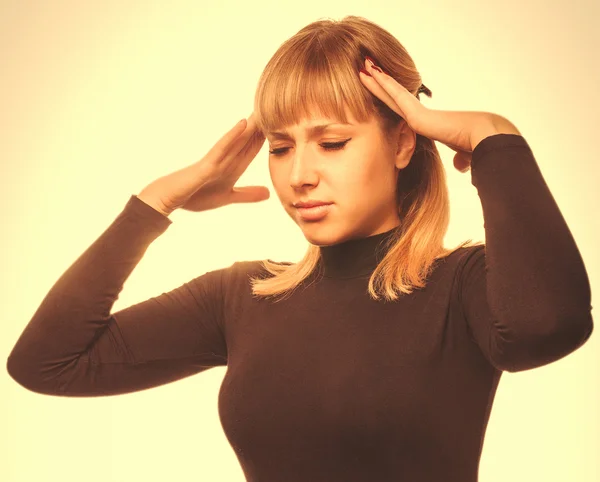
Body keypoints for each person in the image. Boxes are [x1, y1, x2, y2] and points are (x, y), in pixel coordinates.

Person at [6, 15, 593, 482]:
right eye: (281, 147)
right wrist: (154, 203)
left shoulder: (463, 285)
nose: (300, 175)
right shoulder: (242, 296)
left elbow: (550, 326)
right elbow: (47, 363)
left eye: (331, 142)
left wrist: (493, 137)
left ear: (403, 142)